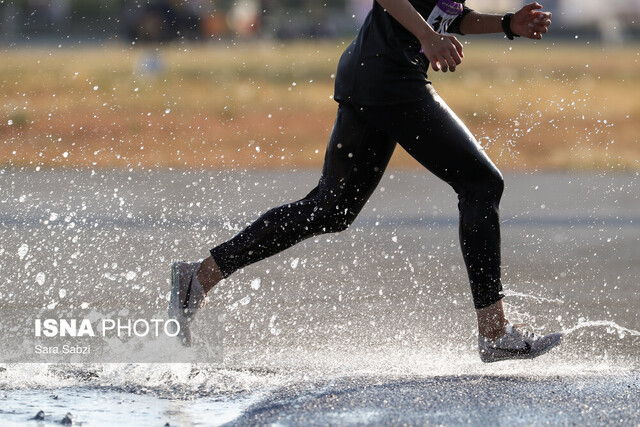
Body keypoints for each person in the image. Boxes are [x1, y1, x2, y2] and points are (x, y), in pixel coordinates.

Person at [169, 0, 562, 362]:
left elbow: (448, 12)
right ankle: (493, 333)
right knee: (481, 184)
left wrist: (508, 24)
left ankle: (200, 276)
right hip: (389, 78)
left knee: (331, 210)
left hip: (371, 75)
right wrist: (427, 36)